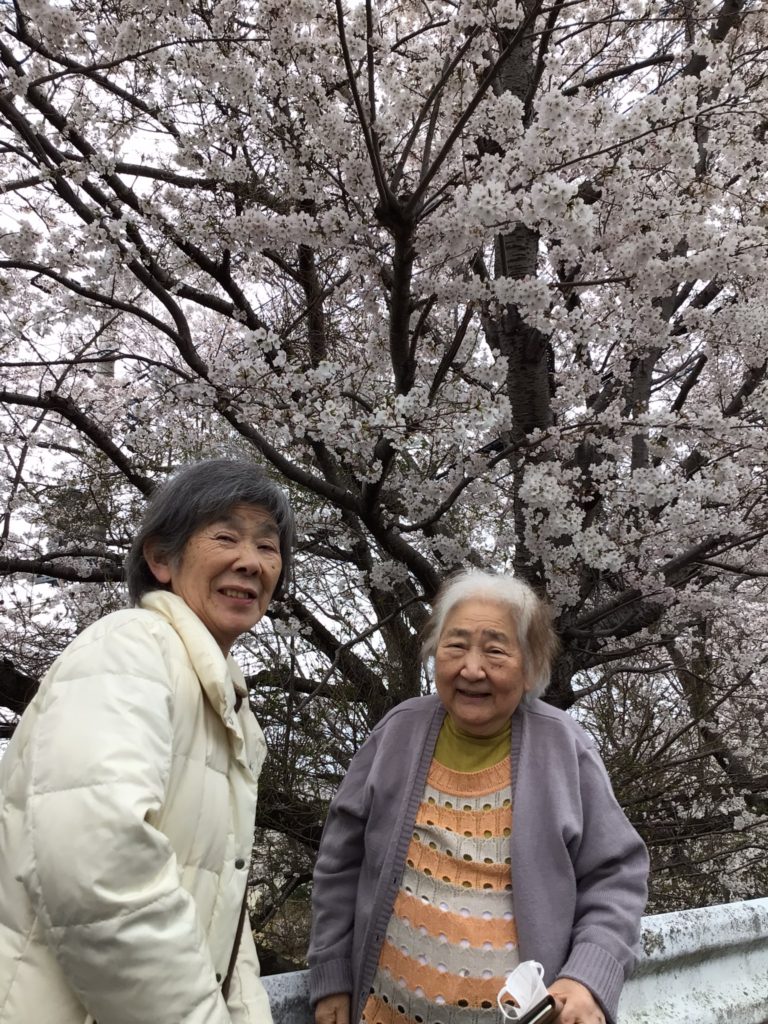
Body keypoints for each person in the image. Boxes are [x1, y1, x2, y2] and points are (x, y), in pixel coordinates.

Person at [0, 458, 294, 1024]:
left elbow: (223, 907)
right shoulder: (130, 648)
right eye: (226, 537)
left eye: (267, 545)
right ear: (161, 559)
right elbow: (99, 870)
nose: (251, 561)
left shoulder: (225, 703)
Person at [309, 571, 648, 1024]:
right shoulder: (397, 732)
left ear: (530, 667)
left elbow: (616, 875)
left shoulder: (565, 748)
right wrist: (332, 973)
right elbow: (339, 862)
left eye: (495, 650)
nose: (471, 669)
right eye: (455, 645)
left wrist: (587, 976)